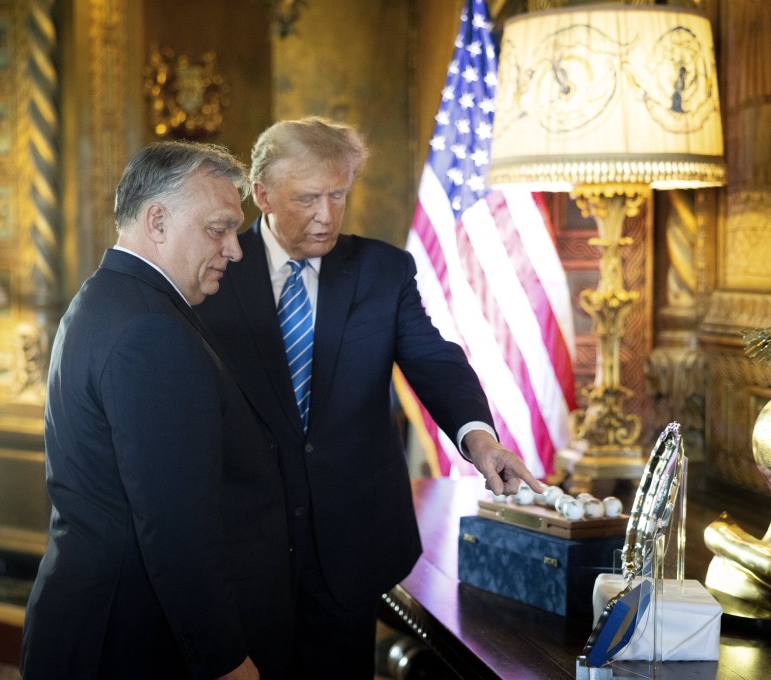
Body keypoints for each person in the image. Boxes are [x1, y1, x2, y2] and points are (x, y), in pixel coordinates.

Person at [196, 117, 543, 678]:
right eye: (308, 198)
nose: (327, 215)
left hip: (350, 548)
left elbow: (433, 359)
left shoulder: (383, 270)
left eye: (339, 194)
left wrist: (478, 439)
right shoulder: (212, 270)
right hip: (245, 547)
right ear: (261, 195)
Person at [21, 141, 293, 679]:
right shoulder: (151, 330)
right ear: (158, 221)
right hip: (129, 639)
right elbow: (176, 524)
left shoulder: (108, 298)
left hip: (99, 623)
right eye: (217, 230)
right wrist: (223, 659)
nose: (235, 251)